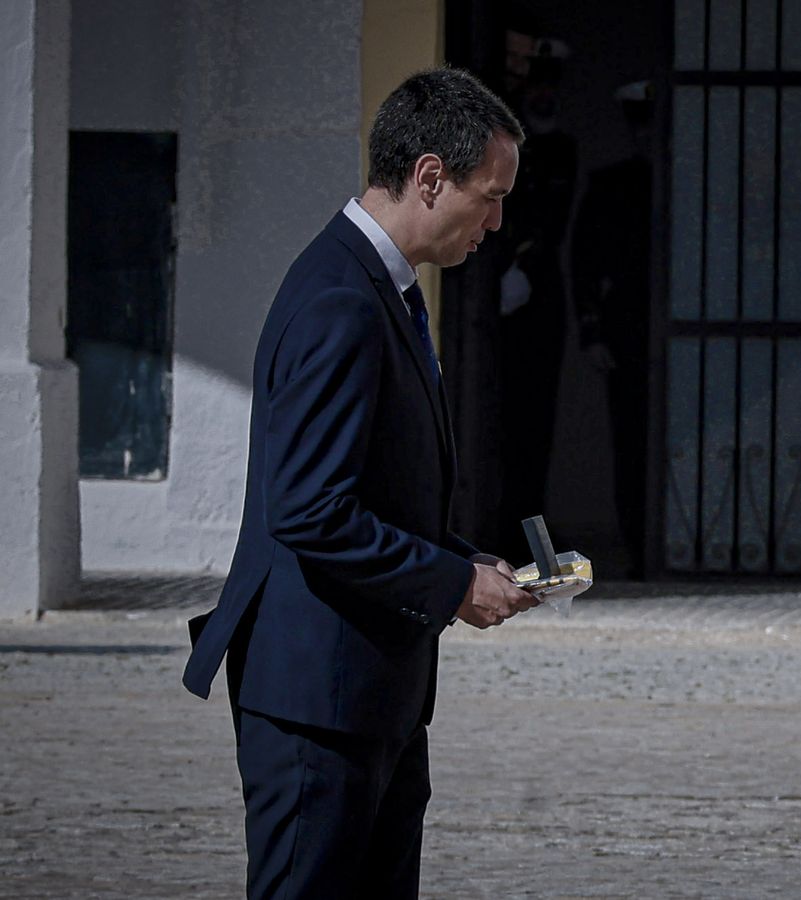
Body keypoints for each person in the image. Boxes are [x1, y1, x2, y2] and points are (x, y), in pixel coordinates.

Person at [182, 68, 537, 899]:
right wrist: (452, 584)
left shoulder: (378, 285)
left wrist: (465, 560)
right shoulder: (341, 298)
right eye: (489, 196)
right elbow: (310, 509)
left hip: (370, 696)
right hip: (318, 706)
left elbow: (371, 490)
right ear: (427, 177)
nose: (496, 221)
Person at [490, 31, 579, 559]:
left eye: (549, 85)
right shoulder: (500, 145)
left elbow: (549, 219)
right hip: (495, 295)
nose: (542, 96)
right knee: (493, 421)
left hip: (537, 297)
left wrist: (520, 266)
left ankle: (525, 535)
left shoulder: (558, 146)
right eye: (533, 85)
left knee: (534, 424)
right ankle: (493, 527)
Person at [572, 80, 655, 577]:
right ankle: (639, 550)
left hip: (692, 333)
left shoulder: (698, 179)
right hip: (627, 330)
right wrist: (593, 332)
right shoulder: (612, 184)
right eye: (639, 124)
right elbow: (583, 261)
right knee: (630, 443)